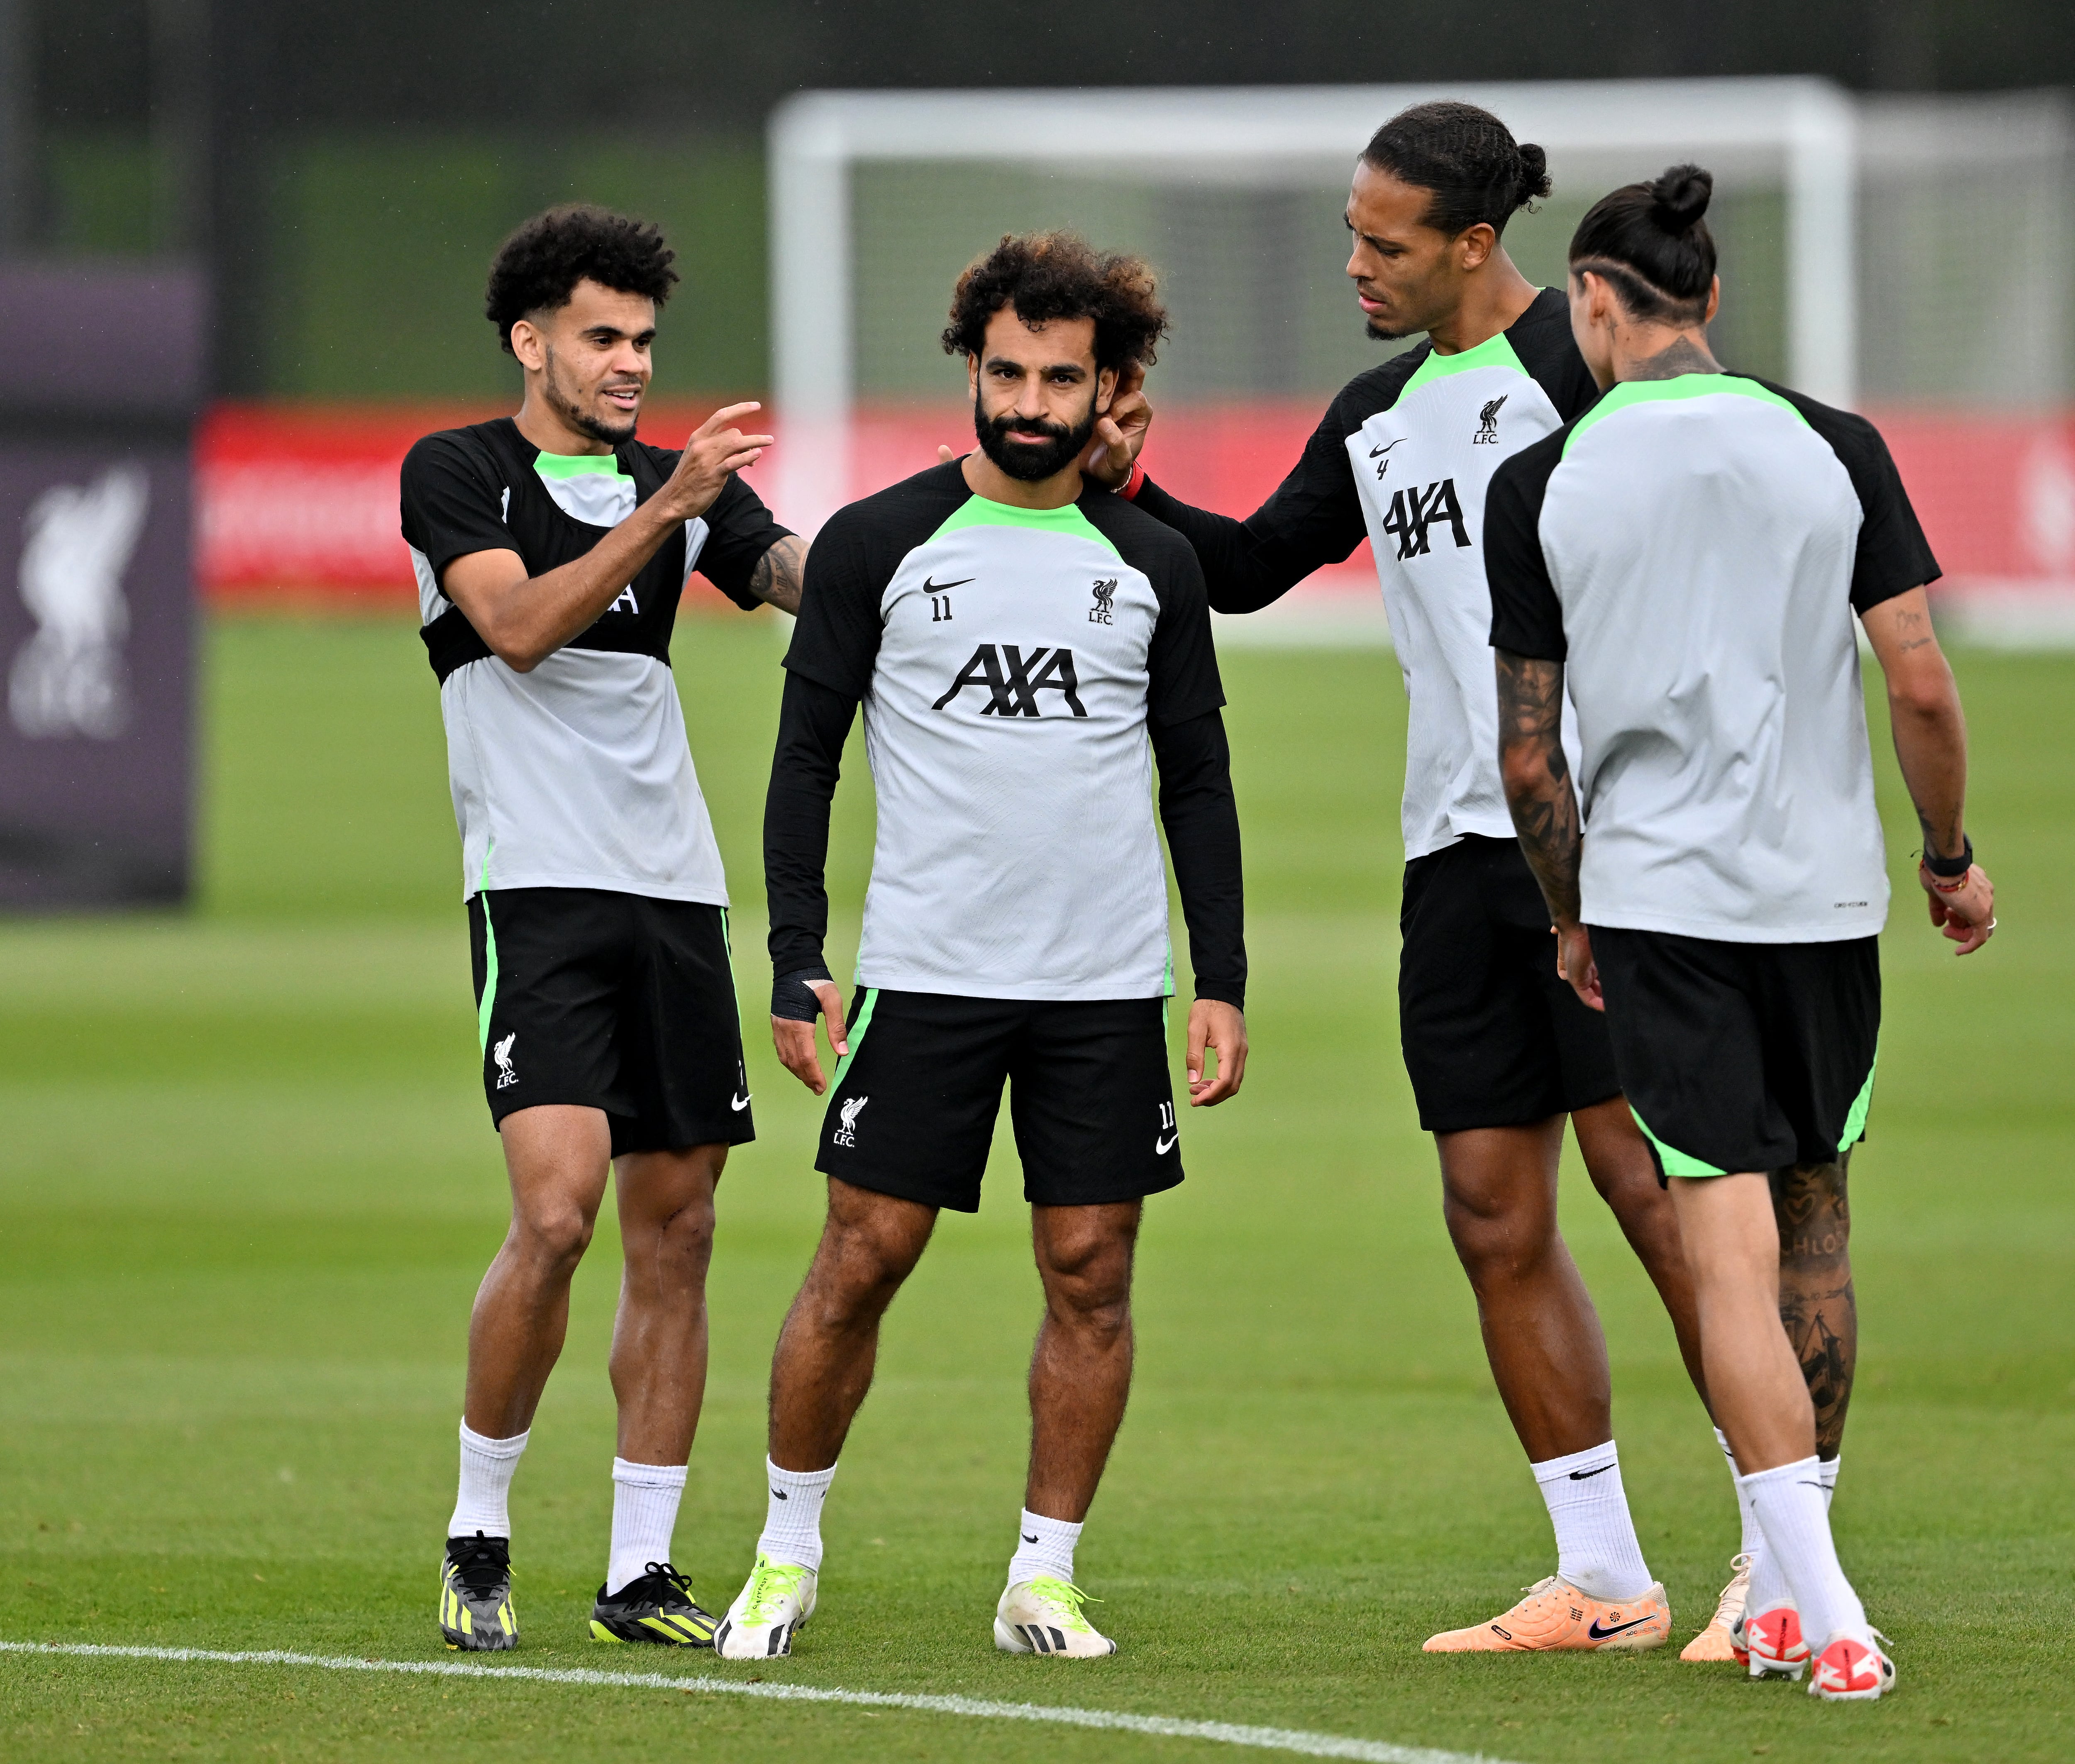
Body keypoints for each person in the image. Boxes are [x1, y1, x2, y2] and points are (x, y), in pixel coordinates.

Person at [1082, 101, 1724, 1654]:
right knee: (1494, 1213)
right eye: (1350, 235)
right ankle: (1606, 1577)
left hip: (1616, 847)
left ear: (1476, 246)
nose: (1355, 263)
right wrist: (1129, 487)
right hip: (1456, 857)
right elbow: (1242, 570)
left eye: (1386, 241)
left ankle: (1784, 1556)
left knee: (1663, 1197)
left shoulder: (1588, 367)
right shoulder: (1376, 412)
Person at [1489, 164, 1994, 1703]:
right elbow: (1917, 680)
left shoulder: (1547, 478)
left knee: (1725, 1243)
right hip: (1825, 898)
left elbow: (1527, 754)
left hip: (1664, 904)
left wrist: (1571, 915)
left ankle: (1824, 1607)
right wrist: (1950, 856)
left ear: (1592, 299)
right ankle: (1780, 1590)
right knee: (1820, 1222)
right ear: (1708, 300)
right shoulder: (1834, 447)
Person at [713, 232, 1247, 1662]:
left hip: (1103, 986)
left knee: (1091, 1270)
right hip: (929, 975)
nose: (1027, 399)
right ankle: (781, 1553)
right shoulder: (880, 544)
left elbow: (1197, 777)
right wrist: (794, 950)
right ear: (971, 367)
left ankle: (1044, 1574)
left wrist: (1225, 982)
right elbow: (803, 759)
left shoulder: (1155, 564)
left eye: (1059, 378)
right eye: (1004, 369)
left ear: (1107, 390)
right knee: (861, 1255)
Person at [398, 204, 807, 1652]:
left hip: (677, 892)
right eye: (604, 337)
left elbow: (797, 585)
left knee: (680, 1229)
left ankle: (641, 1569)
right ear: (533, 342)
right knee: (559, 1208)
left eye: (645, 339)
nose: (632, 363)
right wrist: (667, 507)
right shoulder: (459, 472)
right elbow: (514, 627)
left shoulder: (674, 483)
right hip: (539, 889)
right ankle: (479, 1529)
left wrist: (938, 539)